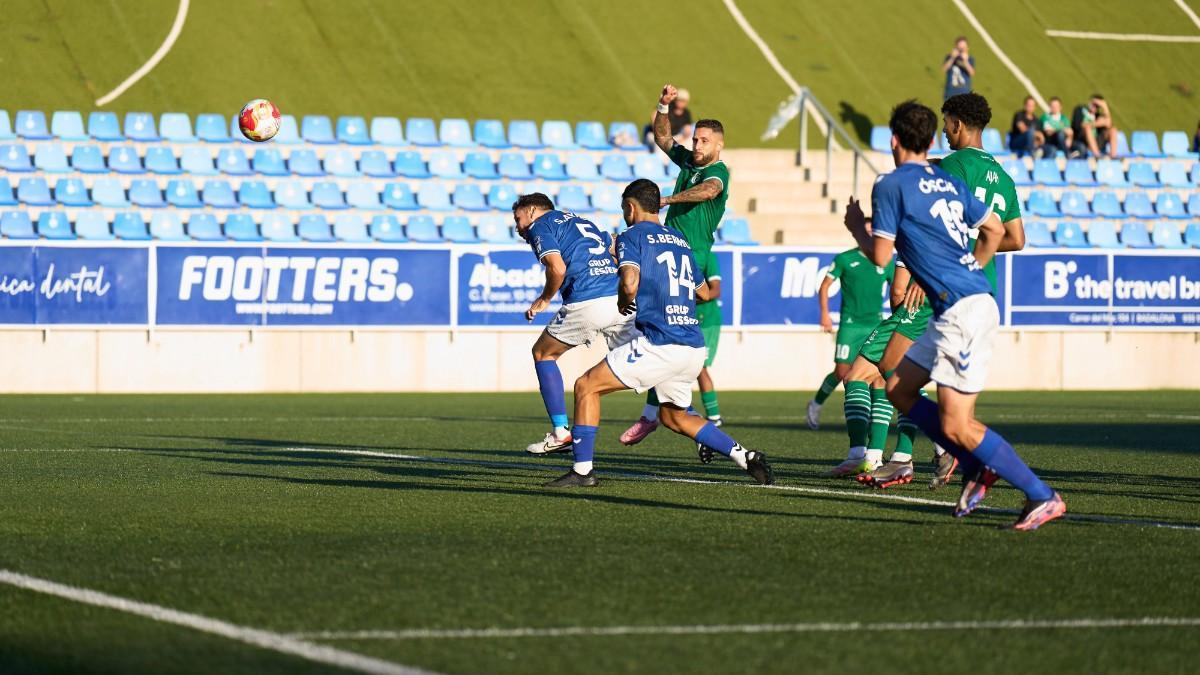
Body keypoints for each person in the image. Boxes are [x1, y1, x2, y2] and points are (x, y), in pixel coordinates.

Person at [845, 100, 1065, 530]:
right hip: (961, 301)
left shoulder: (891, 184)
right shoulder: (946, 181)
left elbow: (881, 256)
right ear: (930, 142)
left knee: (956, 422)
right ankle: (974, 465)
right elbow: (1000, 231)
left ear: (894, 141)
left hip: (963, 310)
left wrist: (856, 226)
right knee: (898, 387)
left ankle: (1042, 495)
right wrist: (971, 269)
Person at [544, 179, 773, 488]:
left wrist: (626, 299)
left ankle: (582, 471)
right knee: (675, 417)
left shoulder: (631, 236)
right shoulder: (679, 239)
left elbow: (629, 283)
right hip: (691, 347)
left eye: (624, 209)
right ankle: (744, 456)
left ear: (630, 206)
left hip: (659, 343)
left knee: (586, 386)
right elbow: (704, 293)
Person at [621, 85, 731, 446]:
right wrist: (663, 105)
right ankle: (677, 416)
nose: (697, 146)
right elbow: (663, 137)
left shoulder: (719, 172)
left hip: (691, 259)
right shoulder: (688, 161)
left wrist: (665, 198)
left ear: (718, 145)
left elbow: (709, 191)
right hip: (669, 252)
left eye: (703, 141)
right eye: (696, 140)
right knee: (660, 333)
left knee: (664, 335)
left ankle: (655, 414)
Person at [514, 193, 637, 455]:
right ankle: (685, 417)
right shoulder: (581, 221)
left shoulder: (540, 225)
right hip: (619, 299)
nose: (518, 228)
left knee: (542, 353)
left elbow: (556, 268)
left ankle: (560, 433)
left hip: (587, 299)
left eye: (518, 219)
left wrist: (544, 299)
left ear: (533, 210)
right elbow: (614, 245)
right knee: (654, 358)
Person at [804, 245, 894, 431]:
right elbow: (825, 286)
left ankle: (866, 414)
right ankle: (816, 403)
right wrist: (825, 314)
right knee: (842, 372)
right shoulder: (845, 258)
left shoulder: (886, 261)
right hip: (850, 325)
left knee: (875, 373)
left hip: (875, 324)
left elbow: (898, 290)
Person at [1072, 94, 1118, 159]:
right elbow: (1079, 125)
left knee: (1113, 130)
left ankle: (1113, 156)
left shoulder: (1098, 115)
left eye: (1097, 106)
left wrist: (1105, 107)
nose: (1095, 107)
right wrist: (1096, 123)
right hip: (1082, 140)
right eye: (1094, 104)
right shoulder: (1080, 110)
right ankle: (1097, 155)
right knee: (1087, 128)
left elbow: (1108, 123)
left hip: (1096, 140)